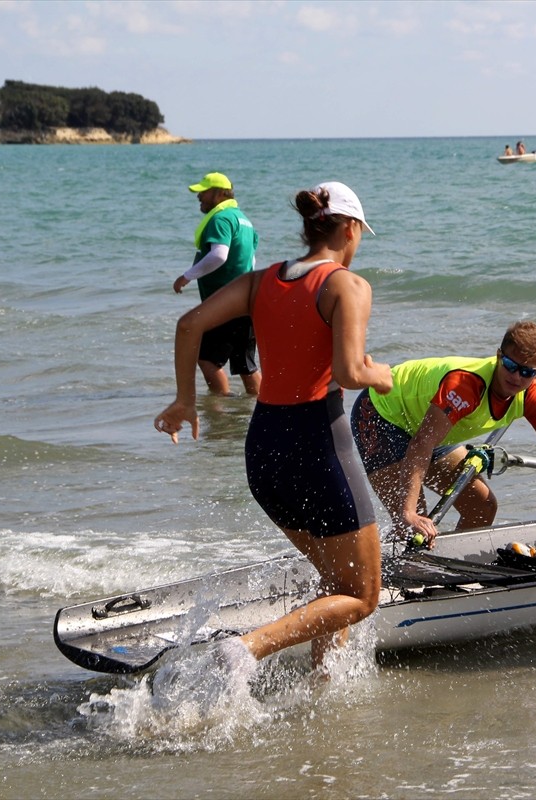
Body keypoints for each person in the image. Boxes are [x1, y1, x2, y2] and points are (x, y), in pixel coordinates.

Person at [154, 181, 393, 676]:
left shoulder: (260, 281)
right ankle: (247, 649)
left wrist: (184, 401)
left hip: (264, 449)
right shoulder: (347, 285)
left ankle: (324, 685)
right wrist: (381, 376)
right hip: (318, 445)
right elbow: (350, 372)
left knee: (334, 580)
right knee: (362, 595)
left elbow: (188, 325)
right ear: (350, 229)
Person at [351, 321, 536, 547]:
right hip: (381, 414)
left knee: (482, 507)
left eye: (527, 372)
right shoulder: (465, 386)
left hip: (427, 427)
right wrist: (408, 513)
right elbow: (421, 444)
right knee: (412, 524)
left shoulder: (532, 397)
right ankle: (386, 578)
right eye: (510, 365)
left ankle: (446, 568)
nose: (516, 377)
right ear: (498, 356)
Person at [174, 172, 262, 396]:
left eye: (204, 192)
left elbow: (219, 255)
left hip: (225, 302)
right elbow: (251, 261)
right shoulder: (244, 220)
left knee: (207, 360)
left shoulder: (220, 219)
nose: (199, 196)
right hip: (246, 301)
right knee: (246, 366)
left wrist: (187, 276)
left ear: (220, 194)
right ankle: (262, 406)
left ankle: (220, 410)